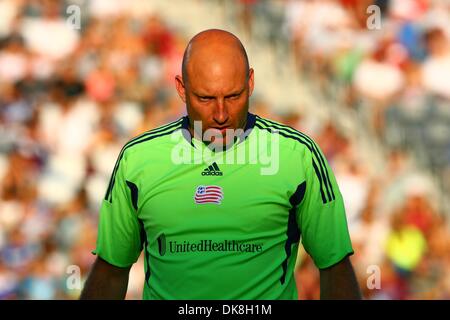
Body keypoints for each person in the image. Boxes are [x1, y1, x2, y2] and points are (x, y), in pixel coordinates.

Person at [80, 29, 361, 300]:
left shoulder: (298, 156)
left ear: (250, 83)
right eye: (205, 98)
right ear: (181, 88)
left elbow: (334, 266)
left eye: (234, 96)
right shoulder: (138, 160)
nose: (221, 113)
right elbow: (111, 271)